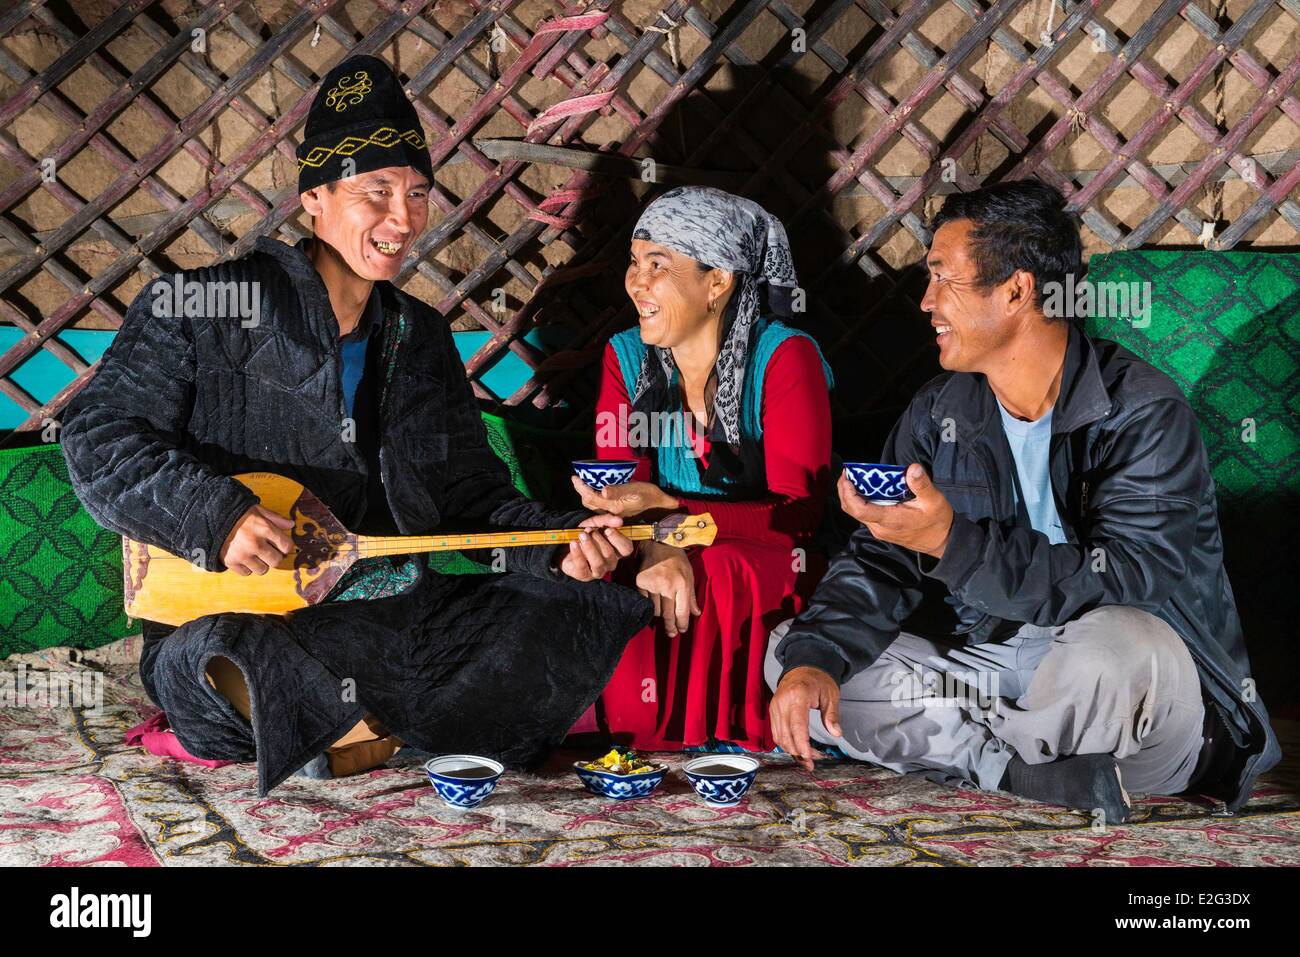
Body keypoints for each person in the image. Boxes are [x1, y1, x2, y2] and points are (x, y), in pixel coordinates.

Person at [59, 55, 650, 795]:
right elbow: (98, 436)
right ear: (315, 196)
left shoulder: (420, 337)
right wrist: (219, 515)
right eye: (377, 192)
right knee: (219, 655)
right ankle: (375, 724)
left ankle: (349, 726)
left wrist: (560, 547)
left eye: (417, 193)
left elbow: (473, 497)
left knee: (579, 604)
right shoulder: (200, 305)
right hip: (249, 618)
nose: (402, 220)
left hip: (394, 619)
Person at [765, 180, 1280, 821]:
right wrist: (818, 659)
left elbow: (1129, 578)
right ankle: (1020, 771)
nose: (926, 302)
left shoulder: (1142, 412)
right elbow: (880, 561)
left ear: (1016, 290)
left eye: (942, 278)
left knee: (1119, 651)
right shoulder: (940, 409)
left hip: (1129, 692)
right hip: (997, 669)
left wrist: (951, 544)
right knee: (792, 653)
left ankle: (987, 755)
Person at [570, 186, 834, 751]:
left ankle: (722, 732)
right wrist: (657, 541)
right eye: (634, 264)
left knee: (720, 565)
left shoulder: (786, 358)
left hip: (767, 553)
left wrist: (674, 519)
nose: (637, 283)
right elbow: (620, 487)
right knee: (594, 563)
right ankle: (626, 727)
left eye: (658, 266)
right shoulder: (628, 356)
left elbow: (801, 516)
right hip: (661, 541)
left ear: (718, 281)